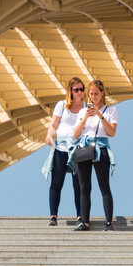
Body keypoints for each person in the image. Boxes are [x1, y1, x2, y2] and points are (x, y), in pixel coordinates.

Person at [71, 79, 117, 231]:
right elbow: (75, 134)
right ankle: (85, 222)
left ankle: (109, 222)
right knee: (84, 187)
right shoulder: (83, 111)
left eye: (96, 93)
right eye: (91, 94)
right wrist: (85, 118)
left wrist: (100, 116)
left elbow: (111, 133)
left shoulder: (111, 111)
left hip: (101, 148)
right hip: (84, 147)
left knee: (104, 186)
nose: (93, 96)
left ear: (102, 93)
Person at [42, 77, 86, 226]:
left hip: (78, 149)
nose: (79, 92)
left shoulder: (86, 107)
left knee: (78, 184)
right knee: (56, 182)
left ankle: (80, 216)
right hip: (61, 148)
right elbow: (54, 124)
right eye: (76, 90)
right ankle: (53, 216)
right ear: (71, 91)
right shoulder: (61, 105)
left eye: (81, 89)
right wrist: (49, 135)